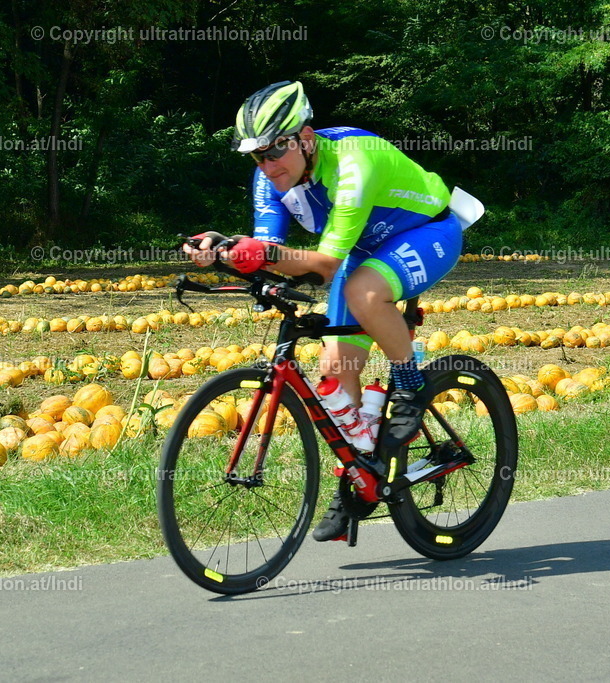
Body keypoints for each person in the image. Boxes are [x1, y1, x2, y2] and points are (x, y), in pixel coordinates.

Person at [183, 80, 463, 542]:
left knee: (365, 294)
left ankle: (412, 388)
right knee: (334, 371)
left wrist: (252, 253)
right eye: (257, 156)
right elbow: (270, 251)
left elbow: (326, 266)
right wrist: (223, 249)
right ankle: (356, 481)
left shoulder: (353, 164)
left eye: (275, 151)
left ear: (306, 139)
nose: (268, 166)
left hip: (427, 231)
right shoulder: (269, 178)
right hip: (365, 246)